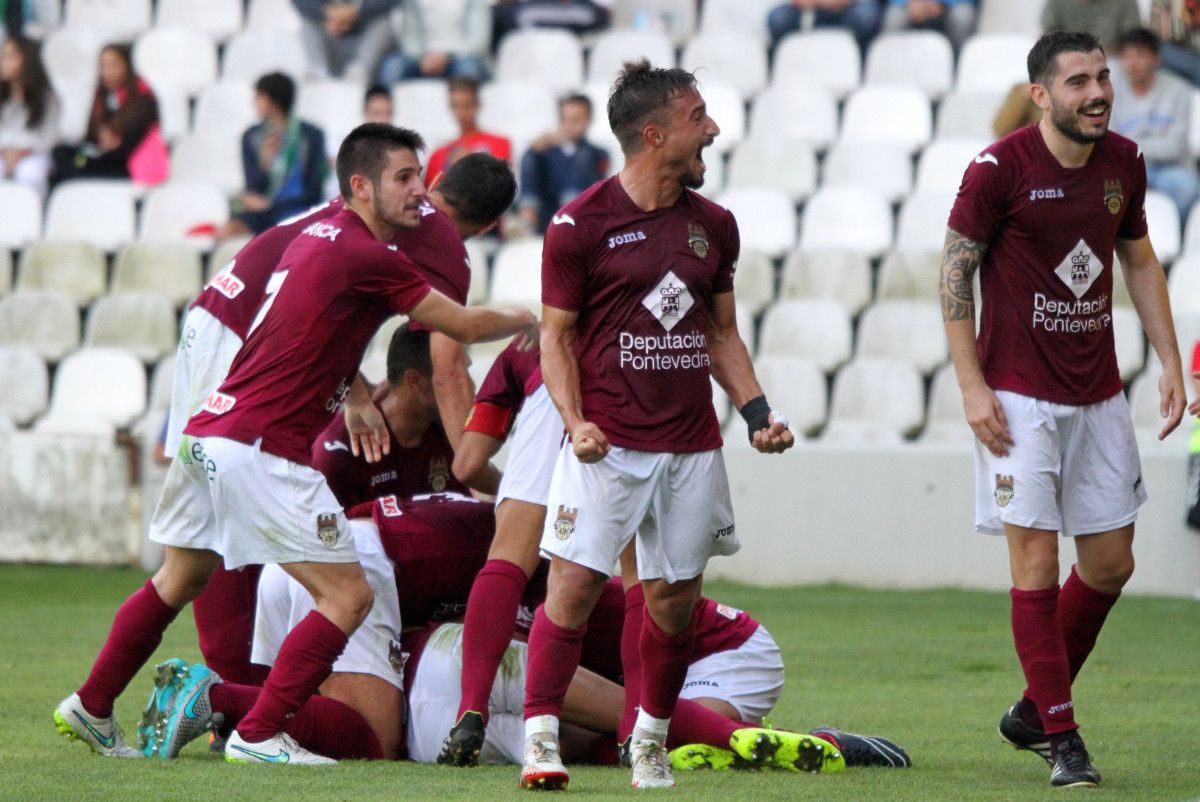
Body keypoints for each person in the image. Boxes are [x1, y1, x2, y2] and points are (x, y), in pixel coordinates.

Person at [53, 123, 537, 765]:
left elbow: (317, 320)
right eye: (405, 177)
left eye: (423, 176)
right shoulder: (401, 251)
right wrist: (531, 320)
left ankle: (92, 702)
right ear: (361, 186)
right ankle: (257, 731)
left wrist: (355, 390)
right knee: (350, 595)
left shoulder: (320, 230)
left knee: (184, 572)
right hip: (260, 443)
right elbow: (456, 342)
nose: (418, 191)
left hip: (212, 415)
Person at [520, 59, 797, 792]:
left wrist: (758, 413)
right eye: (698, 115)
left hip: (691, 451)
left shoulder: (716, 228)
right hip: (606, 446)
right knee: (573, 593)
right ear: (654, 134)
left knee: (673, 605)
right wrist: (575, 422)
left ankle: (648, 738)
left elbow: (719, 334)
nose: (712, 127)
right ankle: (540, 736)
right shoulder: (579, 224)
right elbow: (555, 339)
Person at [939, 31, 1188, 789]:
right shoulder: (996, 169)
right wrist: (971, 385)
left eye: (1103, 78)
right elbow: (953, 273)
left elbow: (1137, 257)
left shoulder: (1125, 162)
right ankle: (1061, 735)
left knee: (1111, 564)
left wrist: (1171, 359)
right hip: (1017, 397)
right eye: (1079, 81)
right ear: (1042, 94)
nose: (1098, 92)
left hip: (1098, 392)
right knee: (1038, 564)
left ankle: (1031, 709)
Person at [312, 324, 470, 508]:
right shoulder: (339, 454)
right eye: (455, 376)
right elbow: (327, 534)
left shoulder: (452, 434)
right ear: (415, 381)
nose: (470, 385)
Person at [220, 73, 327, 238]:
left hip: (299, 210)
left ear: (274, 102)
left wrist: (271, 204)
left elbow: (314, 193)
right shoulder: (252, 137)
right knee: (232, 228)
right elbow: (254, 191)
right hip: (265, 213)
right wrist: (264, 163)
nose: (254, 101)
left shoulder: (310, 136)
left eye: (259, 96)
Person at [1110, 28, 1199, 222]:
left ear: (1156, 58)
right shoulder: (1112, 95)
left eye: (1140, 55)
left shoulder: (1180, 91)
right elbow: (1111, 146)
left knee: (1188, 189)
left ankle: (1179, 246)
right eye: (1127, 56)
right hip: (1129, 170)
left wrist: (1131, 145)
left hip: (1172, 169)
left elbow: (1175, 147)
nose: (1132, 63)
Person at [50, 44, 168, 187]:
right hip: (96, 158)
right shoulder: (101, 96)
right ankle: (76, 172)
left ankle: (76, 175)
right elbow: (89, 138)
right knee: (63, 153)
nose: (108, 72)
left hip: (123, 165)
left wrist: (111, 145)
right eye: (104, 66)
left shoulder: (143, 100)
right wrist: (99, 137)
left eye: (114, 66)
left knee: (71, 172)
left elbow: (128, 148)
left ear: (128, 66)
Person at [518, 94, 609, 234]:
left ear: (588, 120)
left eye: (576, 120)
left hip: (582, 216)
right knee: (530, 156)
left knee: (584, 155)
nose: (570, 125)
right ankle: (527, 222)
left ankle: (568, 219)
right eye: (565, 120)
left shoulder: (597, 153)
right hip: (547, 214)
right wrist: (534, 148)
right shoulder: (547, 153)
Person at [377, 0, 490, 84]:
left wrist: (447, 57)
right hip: (422, 59)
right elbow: (410, 38)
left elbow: (478, 41)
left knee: (468, 69)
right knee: (393, 67)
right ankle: (383, 115)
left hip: (460, 58)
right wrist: (422, 58)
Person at [425, 77, 511, 185]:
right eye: (456, 106)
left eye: (467, 105)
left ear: (477, 105)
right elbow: (428, 196)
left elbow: (502, 185)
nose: (461, 113)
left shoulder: (499, 143)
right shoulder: (438, 154)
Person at [0, 36, 57, 198]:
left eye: (11, 57)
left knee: (29, 173)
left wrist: (21, 152)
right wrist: (6, 152)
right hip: (4, 153)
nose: (4, 62)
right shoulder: (3, 95)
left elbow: (49, 138)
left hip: (34, 155)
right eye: (3, 56)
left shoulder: (45, 97)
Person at [293, 0, 397, 81]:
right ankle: (317, 71)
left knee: (384, 23)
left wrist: (355, 13)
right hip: (330, 39)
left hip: (366, 45)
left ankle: (360, 71)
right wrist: (327, 13)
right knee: (308, 22)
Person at [767, 0, 884, 54]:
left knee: (866, 15)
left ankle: (860, 69)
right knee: (778, 18)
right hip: (809, 11)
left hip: (849, 9)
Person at [1041, 0, 1142, 49]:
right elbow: (1048, 35)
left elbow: (1134, 40)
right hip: (1067, 56)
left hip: (1114, 60)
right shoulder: (1056, 3)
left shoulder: (1124, 2)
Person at [881, 0, 976, 51]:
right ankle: (892, 74)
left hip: (951, 5)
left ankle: (958, 72)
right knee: (894, 20)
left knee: (962, 17)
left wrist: (941, 3)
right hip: (909, 5)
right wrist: (907, 3)